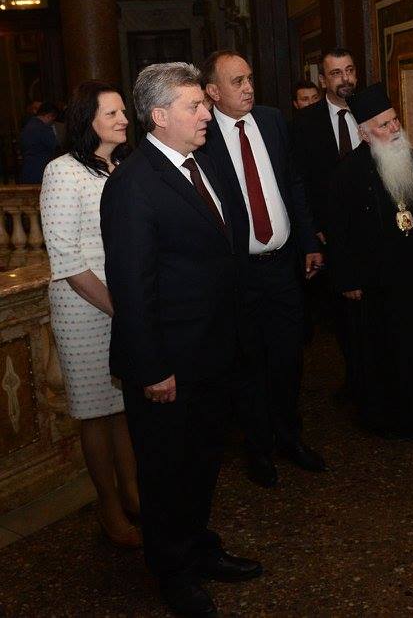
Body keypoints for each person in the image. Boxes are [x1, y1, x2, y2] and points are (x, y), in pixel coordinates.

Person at [101, 62, 261, 616]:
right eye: (195, 106)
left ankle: (198, 546)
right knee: (167, 471)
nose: (206, 114)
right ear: (159, 115)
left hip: (213, 352)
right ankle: (172, 571)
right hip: (168, 364)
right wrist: (152, 368)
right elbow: (132, 286)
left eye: (204, 104)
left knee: (202, 460)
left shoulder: (201, 162)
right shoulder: (132, 184)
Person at [200, 50, 327, 487]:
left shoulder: (272, 121)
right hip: (240, 274)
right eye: (237, 82)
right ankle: (258, 449)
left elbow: (293, 183)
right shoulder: (203, 138)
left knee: (289, 358)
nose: (248, 88)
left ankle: (290, 438)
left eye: (250, 78)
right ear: (213, 92)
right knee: (249, 364)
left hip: (284, 268)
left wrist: (308, 241)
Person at [39, 81, 141, 550]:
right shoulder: (62, 171)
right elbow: (66, 259)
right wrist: (122, 310)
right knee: (95, 413)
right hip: (83, 307)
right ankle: (109, 508)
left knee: (122, 407)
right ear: (88, 120)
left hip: (122, 302)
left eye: (124, 111)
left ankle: (133, 494)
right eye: (112, 113)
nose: (124, 119)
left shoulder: (123, 166)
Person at [330, 82, 413, 436]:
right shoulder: (347, 174)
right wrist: (348, 278)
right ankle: (391, 418)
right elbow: (340, 232)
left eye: (395, 120)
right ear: (365, 133)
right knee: (385, 351)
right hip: (378, 283)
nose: (394, 128)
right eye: (384, 125)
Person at [291, 48, 362, 396]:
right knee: (345, 315)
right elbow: (300, 183)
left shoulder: (370, 109)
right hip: (332, 236)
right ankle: (356, 381)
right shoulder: (305, 123)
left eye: (349, 70)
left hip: (373, 232)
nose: (345, 78)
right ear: (323, 80)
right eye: (336, 73)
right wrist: (311, 231)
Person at [19, 101, 59, 183]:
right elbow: (55, 146)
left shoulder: (28, 125)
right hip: (41, 171)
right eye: (53, 119)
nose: (52, 122)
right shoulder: (44, 129)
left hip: (27, 169)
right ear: (49, 116)